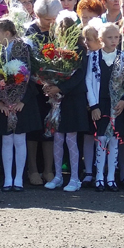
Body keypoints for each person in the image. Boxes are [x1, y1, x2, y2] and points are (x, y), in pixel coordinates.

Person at [0, 18, 41, 192]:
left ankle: (19, 177)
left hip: (22, 104)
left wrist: (22, 100)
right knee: (6, 140)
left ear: (7, 33)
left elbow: (32, 76)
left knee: (20, 139)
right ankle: (7, 178)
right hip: (3, 103)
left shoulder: (25, 48)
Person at [43, 17, 88, 193]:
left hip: (73, 100)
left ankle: (75, 177)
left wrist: (59, 87)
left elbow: (78, 77)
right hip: (57, 100)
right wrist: (48, 85)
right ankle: (58, 176)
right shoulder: (55, 50)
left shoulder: (80, 51)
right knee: (58, 138)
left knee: (71, 139)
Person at [24, 0, 63, 185]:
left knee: (50, 129)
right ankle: (33, 170)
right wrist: (41, 81)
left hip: (54, 90)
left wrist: (55, 83)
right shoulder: (29, 33)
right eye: (48, 19)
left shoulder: (60, 31)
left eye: (54, 18)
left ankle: (49, 170)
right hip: (33, 89)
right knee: (33, 129)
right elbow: (26, 63)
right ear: (37, 15)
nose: (51, 23)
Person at [85, 22, 124, 192]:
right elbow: (89, 81)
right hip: (100, 103)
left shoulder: (123, 57)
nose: (114, 40)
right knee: (101, 139)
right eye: (110, 37)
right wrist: (93, 105)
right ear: (101, 39)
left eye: (116, 37)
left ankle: (111, 177)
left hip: (116, 104)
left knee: (115, 141)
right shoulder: (93, 57)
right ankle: (99, 177)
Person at [80, 21, 103, 187]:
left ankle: (103, 170)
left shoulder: (106, 56)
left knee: (102, 138)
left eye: (90, 39)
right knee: (88, 137)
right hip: (89, 103)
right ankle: (88, 171)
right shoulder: (85, 57)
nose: (86, 42)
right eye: (85, 39)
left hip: (104, 104)